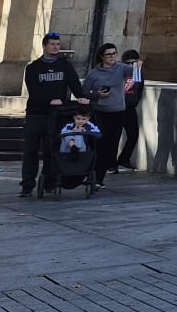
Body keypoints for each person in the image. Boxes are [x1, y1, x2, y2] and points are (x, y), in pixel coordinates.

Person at [20, 32, 87, 197]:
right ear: (44, 46)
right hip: (36, 114)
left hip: (57, 115)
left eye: (58, 44)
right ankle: (27, 185)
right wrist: (50, 100)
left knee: (52, 150)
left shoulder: (64, 65)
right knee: (31, 150)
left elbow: (74, 84)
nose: (56, 47)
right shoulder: (33, 68)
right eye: (52, 44)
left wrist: (82, 97)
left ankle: (49, 182)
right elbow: (34, 91)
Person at [82, 43, 134, 176]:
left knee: (111, 145)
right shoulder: (94, 73)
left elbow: (137, 77)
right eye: (108, 54)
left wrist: (138, 67)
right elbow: (84, 92)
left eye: (114, 53)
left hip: (117, 112)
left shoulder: (121, 68)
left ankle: (101, 176)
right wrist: (97, 94)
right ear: (101, 56)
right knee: (99, 144)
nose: (112, 57)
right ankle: (92, 173)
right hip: (99, 112)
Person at [59, 108, 104, 188]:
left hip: (82, 151)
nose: (80, 121)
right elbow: (62, 134)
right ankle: (73, 147)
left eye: (83, 119)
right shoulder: (69, 125)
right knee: (68, 133)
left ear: (88, 118)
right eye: (78, 119)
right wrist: (73, 131)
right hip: (67, 150)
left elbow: (99, 134)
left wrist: (85, 132)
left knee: (79, 134)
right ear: (74, 118)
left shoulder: (89, 125)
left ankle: (76, 148)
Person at [116, 48, 144, 171]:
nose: (131, 66)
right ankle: (112, 162)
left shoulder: (137, 71)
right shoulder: (120, 70)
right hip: (117, 107)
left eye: (133, 63)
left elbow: (138, 87)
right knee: (114, 136)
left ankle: (123, 159)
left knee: (133, 134)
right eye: (129, 63)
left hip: (129, 107)